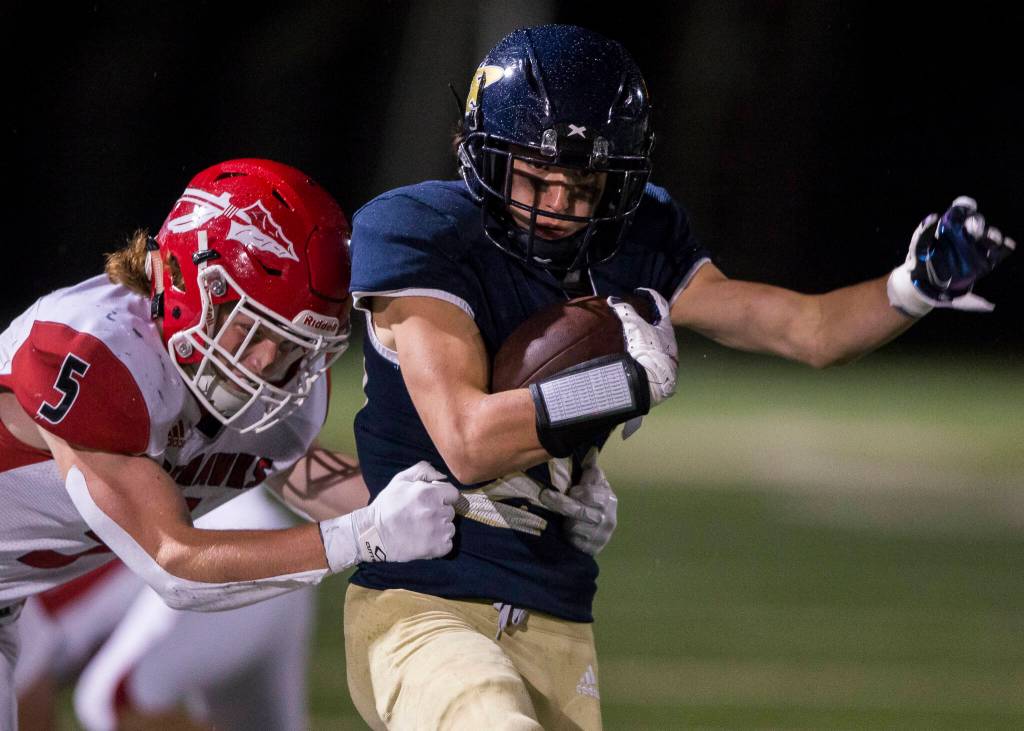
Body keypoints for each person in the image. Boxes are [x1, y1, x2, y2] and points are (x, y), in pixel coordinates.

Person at [341, 24, 1015, 731]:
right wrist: (620, 383)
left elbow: (809, 332)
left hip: (556, 611)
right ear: (481, 153)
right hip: (424, 604)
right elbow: (468, 441)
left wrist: (915, 285)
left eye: (585, 186)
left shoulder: (636, 234)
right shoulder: (418, 230)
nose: (562, 208)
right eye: (537, 179)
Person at [0, 158, 459, 729]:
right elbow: (176, 564)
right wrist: (362, 539)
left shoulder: (245, 373)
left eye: (290, 345)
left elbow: (302, 474)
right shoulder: (96, 354)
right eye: (253, 330)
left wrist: (482, 506)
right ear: (191, 285)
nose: (267, 364)